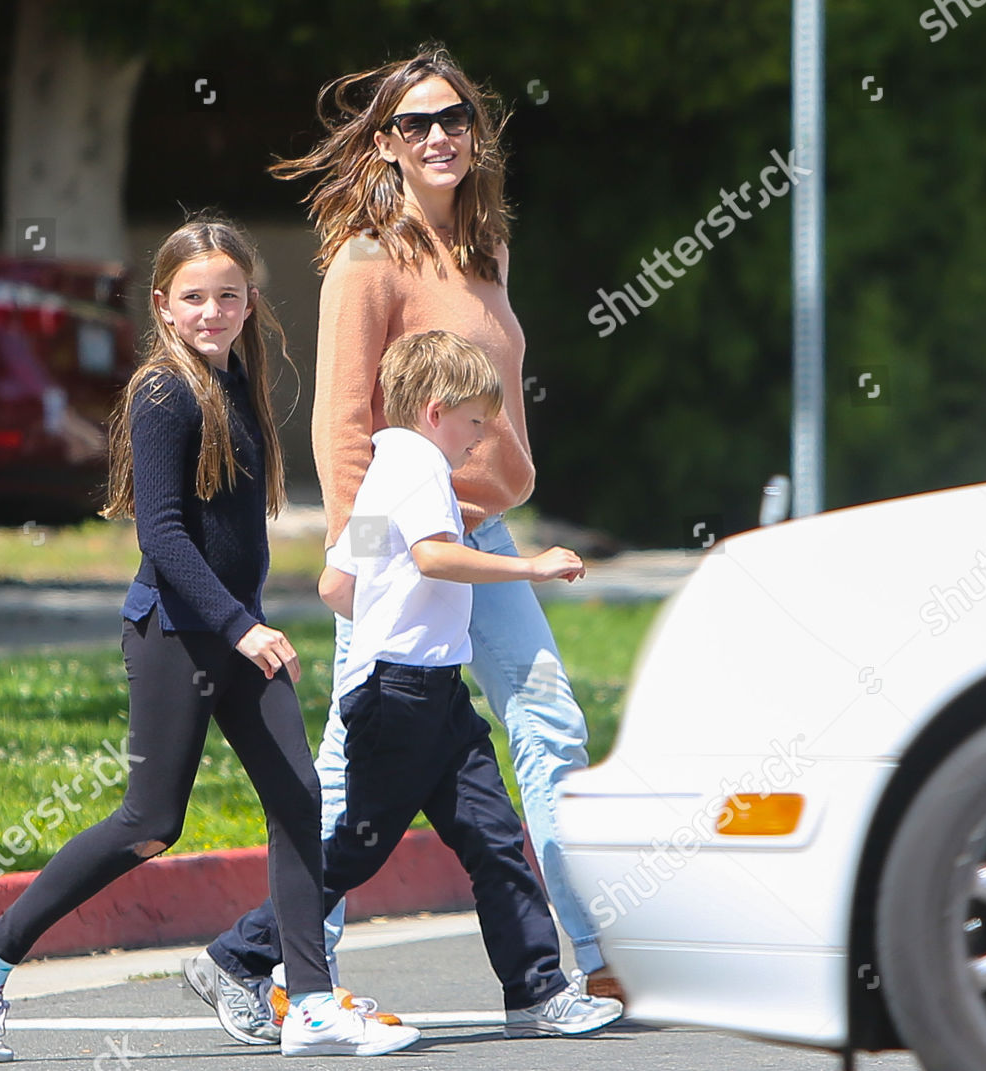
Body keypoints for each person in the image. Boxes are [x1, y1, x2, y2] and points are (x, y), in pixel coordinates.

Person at [0, 218, 419, 1061]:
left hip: (234, 635)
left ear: (249, 302)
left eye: (228, 296)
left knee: (299, 799)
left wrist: (251, 618)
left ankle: (305, 998)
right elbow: (160, 534)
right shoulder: (163, 393)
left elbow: (234, 533)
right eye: (194, 297)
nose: (212, 311)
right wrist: (243, 626)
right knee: (149, 823)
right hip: (176, 637)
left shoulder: (237, 380)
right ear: (162, 304)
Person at [277, 45, 622, 1003]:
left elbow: (498, 397)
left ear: (477, 130)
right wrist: (362, 559)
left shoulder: (486, 249)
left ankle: (594, 957)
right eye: (416, 123)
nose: (440, 136)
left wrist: (509, 478)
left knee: (548, 716)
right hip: (400, 549)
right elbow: (343, 425)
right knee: (352, 755)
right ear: (385, 143)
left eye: (455, 117)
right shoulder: (365, 262)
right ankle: (289, 968)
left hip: (486, 536)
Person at [193, 330, 623, 1040]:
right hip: (400, 697)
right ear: (434, 410)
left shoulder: (383, 469)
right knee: (355, 850)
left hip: (432, 694)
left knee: (491, 835)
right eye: (474, 422)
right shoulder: (422, 467)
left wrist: (390, 613)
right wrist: (532, 567)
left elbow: (337, 586)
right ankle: (237, 957)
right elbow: (432, 556)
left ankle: (537, 991)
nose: (479, 441)